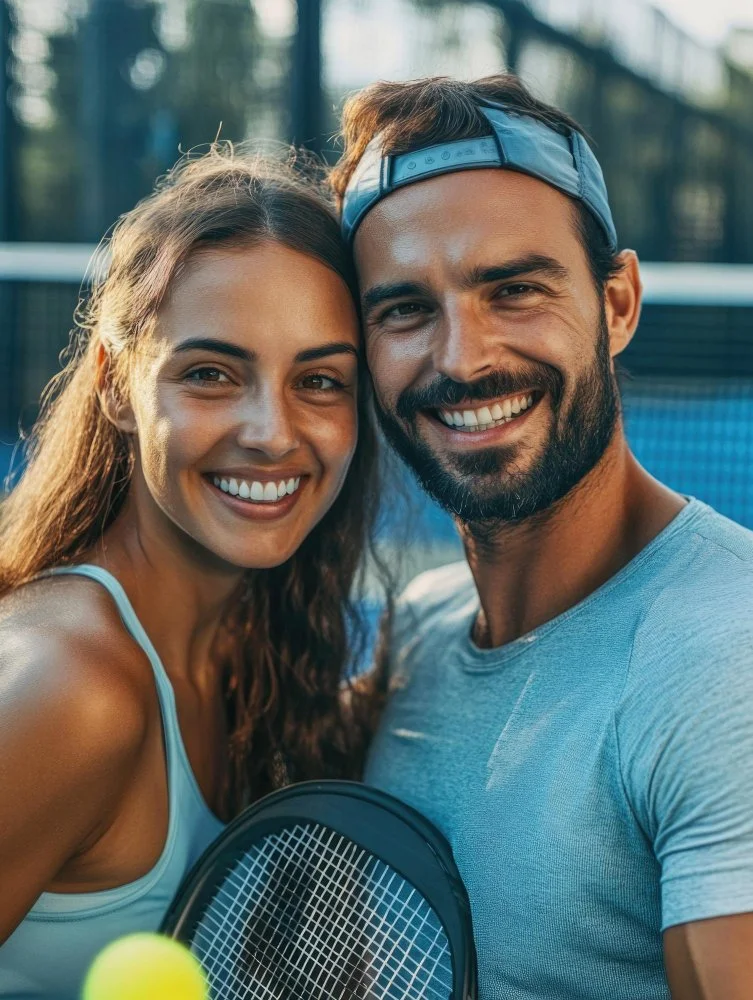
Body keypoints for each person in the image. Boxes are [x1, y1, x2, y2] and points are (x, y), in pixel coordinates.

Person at [330, 75, 753, 999]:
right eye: (404, 309)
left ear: (617, 304)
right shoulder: (417, 635)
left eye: (513, 290)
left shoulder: (727, 663)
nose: (462, 357)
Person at [0, 146, 385, 998]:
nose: (272, 432)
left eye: (318, 381)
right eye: (211, 374)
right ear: (112, 383)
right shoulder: (72, 689)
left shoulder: (259, 645)